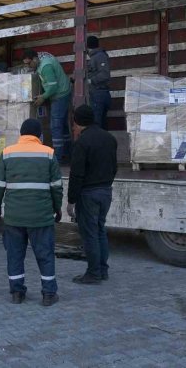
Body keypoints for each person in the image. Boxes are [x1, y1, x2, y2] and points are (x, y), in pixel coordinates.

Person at [0, 119, 63, 307]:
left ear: (21, 134)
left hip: (14, 217)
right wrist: (57, 208)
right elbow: (56, 187)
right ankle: (48, 294)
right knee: (45, 255)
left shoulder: (7, 154)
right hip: (41, 217)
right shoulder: (48, 154)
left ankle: (17, 293)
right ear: (39, 136)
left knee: (15, 255)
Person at [67, 105, 117, 284]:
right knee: (100, 231)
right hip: (106, 191)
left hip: (89, 193)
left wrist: (71, 200)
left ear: (78, 122)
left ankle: (93, 273)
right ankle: (102, 270)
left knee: (90, 234)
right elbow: (114, 167)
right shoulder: (110, 138)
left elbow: (77, 173)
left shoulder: (82, 142)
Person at [22, 49, 72, 161]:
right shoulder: (41, 61)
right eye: (26, 64)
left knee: (55, 126)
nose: (28, 66)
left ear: (35, 59)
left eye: (29, 63)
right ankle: (68, 153)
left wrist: (43, 97)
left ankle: (57, 158)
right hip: (62, 92)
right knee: (62, 126)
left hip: (60, 95)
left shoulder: (45, 67)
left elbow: (53, 87)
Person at [86, 35, 112, 130]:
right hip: (100, 93)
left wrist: (90, 80)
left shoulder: (99, 56)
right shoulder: (97, 57)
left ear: (87, 47)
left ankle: (99, 143)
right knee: (101, 122)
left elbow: (105, 74)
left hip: (99, 93)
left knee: (97, 122)